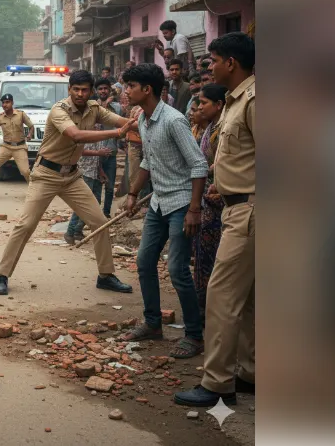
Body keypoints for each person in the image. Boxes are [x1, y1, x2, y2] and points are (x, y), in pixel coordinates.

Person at [0, 70, 137, 296]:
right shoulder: (59, 110)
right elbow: (76, 135)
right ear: (69, 90)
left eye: (84, 90)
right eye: (76, 89)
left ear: (90, 92)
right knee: (25, 225)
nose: (80, 94)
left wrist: (143, 124)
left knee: (99, 221)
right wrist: (119, 132)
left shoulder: (94, 109)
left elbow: (123, 121)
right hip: (46, 174)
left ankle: (106, 275)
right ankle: (2, 275)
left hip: (71, 177)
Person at [175, 32, 256, 407]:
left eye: (214, 60)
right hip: (236, 205)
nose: (210, 66)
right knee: (249, 298)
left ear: (231, 63)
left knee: (221, 296)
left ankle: (217, 383)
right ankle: (248, 372)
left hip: (250, 211)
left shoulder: (254, 100)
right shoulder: (236, 102)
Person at [118, 64, 209, 360]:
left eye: (130, 86)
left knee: (177, 270)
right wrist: (133, 193)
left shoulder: (174, 121)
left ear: (147, 89)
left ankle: (194, 335)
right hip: (158, 202)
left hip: (182, 202)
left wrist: (195, 209)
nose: (126, 91)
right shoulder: (142, 120)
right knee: (144, 261)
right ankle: (153, 324)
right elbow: (148, 161)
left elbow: (198, 165)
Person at [65, 77, 121, 242]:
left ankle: (77, 230)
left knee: (94, 202)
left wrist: (101, 170)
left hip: (95, 170)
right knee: (85, 203)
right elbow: (82, 151)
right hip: (86, 171)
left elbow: (100, 151)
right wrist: (99, 154)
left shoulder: (99, 128)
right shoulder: (83, 128)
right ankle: (70, 231)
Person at [191, 84, 227, 309]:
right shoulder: (210, 128)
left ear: (219, 105)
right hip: (207, 202)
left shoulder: (222, 129)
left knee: (219, 260)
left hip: (221, 201)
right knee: (204, 255)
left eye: (204, 103)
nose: (199, 108)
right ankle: (203, 306)